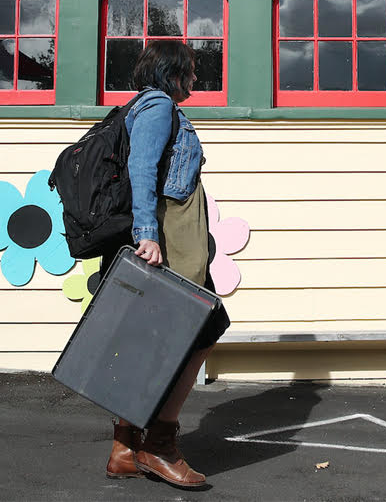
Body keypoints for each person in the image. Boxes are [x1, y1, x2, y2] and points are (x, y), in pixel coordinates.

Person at [100, 41, 230, 490]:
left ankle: (123, 448)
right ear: (171, 72)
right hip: (168, 242)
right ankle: (158, 446)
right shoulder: (158, 106)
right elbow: (142, 168)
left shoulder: (150, 107)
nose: (195, 79)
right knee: (197, 335)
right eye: (191, 71)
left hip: (176, 240)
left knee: (155, 341)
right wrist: (147, 235)